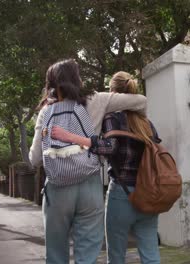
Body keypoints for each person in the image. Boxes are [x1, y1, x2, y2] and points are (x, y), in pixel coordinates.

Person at [29, 60, 147, 264]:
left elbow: (35, 158)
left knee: (56, 253)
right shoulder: (97, 100)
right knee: (88, 253)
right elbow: (141, 101)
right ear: (77, 79)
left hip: (57, 189)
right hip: (89, 187)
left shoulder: (46, 112)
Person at [51, 71, 161, 264]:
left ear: (114, 92)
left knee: (116, 255)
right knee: (151, 253)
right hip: (149, 192)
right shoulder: (147, 123)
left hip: (122, 193)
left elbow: (109, 148)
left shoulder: (113, 117)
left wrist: (77, 139)